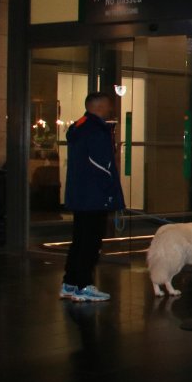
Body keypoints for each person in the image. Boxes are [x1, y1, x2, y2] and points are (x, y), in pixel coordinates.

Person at [60, 91, 124, 302]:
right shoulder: (97, 130)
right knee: (90, 242)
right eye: (107, 105)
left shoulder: (79, 127)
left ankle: (70, 283)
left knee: (79, 240)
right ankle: (83, 285)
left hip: (81, 195)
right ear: (98, 107)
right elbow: (102, 165)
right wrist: (110, 191)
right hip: (95, 195)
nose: (110, 109)